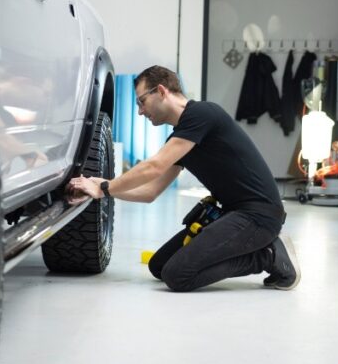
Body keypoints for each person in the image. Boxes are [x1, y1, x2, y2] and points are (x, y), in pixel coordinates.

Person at [68, 65, 299, 292]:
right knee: (159, 266)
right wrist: (103, 187)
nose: (140, 111)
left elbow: (154, 166)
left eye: (141, 101)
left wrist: (106, 188)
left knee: (177, 276)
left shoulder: (202, 114)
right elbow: (150, 192)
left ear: (161, 91)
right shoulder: (183, 136)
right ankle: (259, 251)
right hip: (234, 214)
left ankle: (267, 256)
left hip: (258, 216)